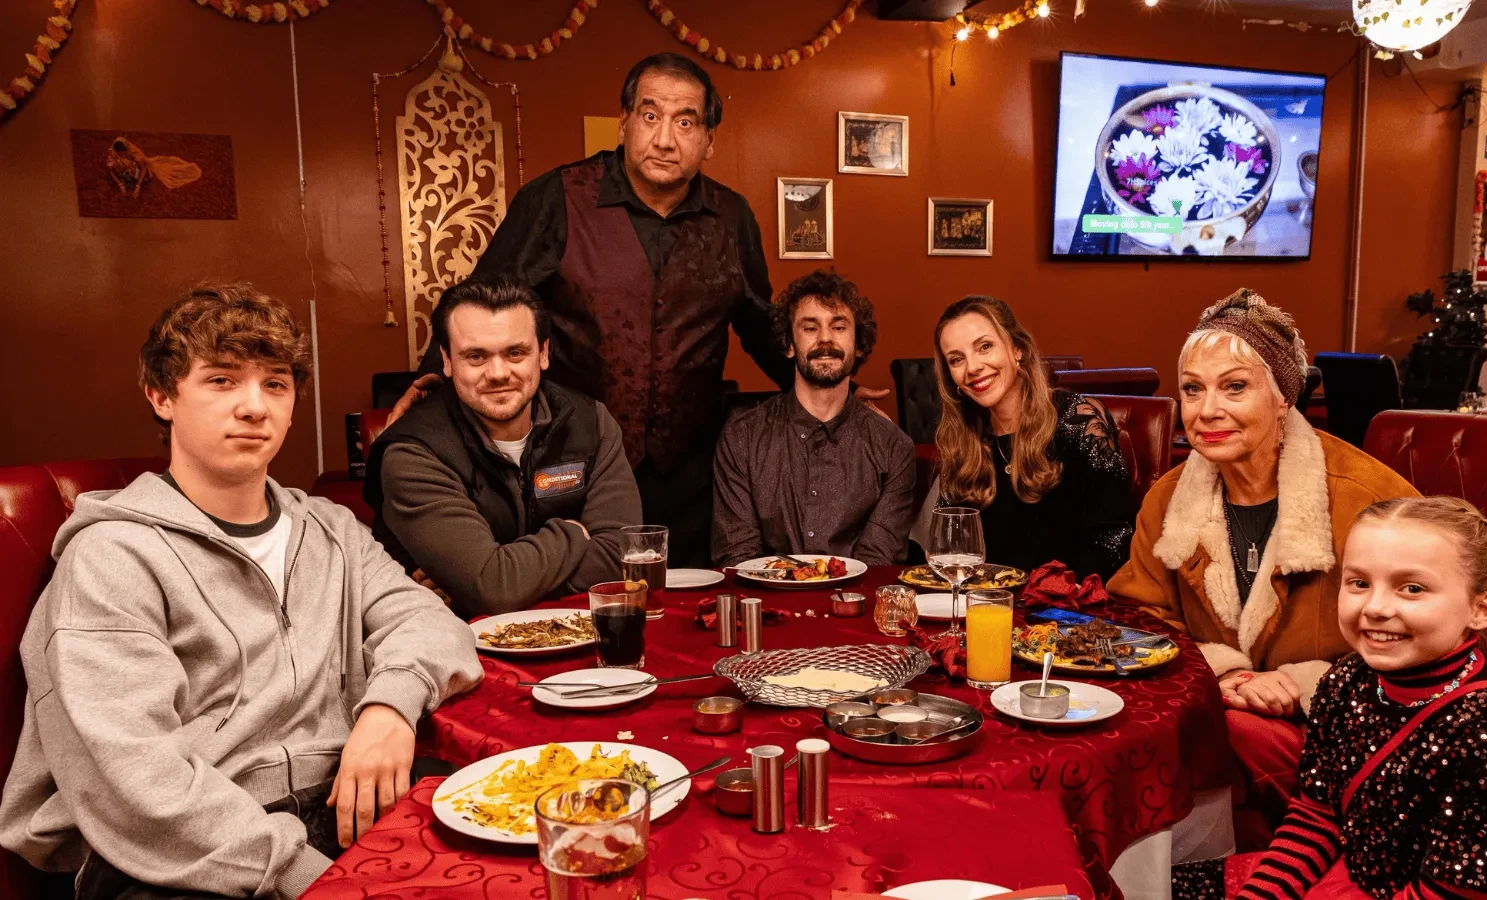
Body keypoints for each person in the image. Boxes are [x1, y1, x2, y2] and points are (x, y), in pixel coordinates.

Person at [0, 284, 483, 899]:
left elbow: (428, 621)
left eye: (275, 384)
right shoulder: (111, 557)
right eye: (223, 380)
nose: (255, 406)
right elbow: (138, 785)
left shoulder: (329, 528)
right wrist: (314, 879)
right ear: (161, 396)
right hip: (177, 856)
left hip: (343, 801)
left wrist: (389, 708)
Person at [387, 53, 887, 566]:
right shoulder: (556, 197)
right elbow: (481, 300)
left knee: (689, 604)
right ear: (624, 122)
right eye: (650, 116)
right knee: (584, 602)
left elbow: (761, 324)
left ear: (709, 140)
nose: (665, 138)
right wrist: (431, 380)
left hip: (693, 469)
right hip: (573, 461)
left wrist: (831, 391)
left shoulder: (732, 216)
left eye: (685, 121)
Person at [1108, 289, 1417, 844]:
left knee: (1205, 738)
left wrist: (1301, 684)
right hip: (1220, 707)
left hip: (1355, 726)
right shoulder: (1168, 497)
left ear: (1283, 398)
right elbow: (1138, 617)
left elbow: (1421, 634)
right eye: (1193, 390)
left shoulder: (1368, 499)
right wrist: (1223, 672)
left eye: (1234, 387)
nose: (1207, 411)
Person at [1173, 496, 1487, 899]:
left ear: (1482, 609)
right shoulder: (1347, 680)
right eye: (1359, 583)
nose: (1376, 607)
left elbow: (1458, 893)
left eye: (1412, 588)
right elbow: (1317, 817)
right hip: (1353, 874)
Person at [365, 277, 641, 618]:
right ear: (447, 361)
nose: (498, 373)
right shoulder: (413, 453)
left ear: (542, 353)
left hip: (581, 638)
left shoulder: (592, 422)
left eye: (515, 353)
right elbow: (491, 586)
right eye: (476, 356)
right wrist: (575, 534)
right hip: (458, 652)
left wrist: (485, 586)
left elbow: (621, 556)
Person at [712, 269, 915, 567]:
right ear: (789, 345)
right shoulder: (741, 439)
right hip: (766, 608)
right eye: (810, 328)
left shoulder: (894, 448)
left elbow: (877, 567)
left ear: (859, 345)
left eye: (839, 327)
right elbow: (737, 558)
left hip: (855, 608)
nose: (825, 339)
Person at [927, 294, 1135, 577]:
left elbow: (1113, 537)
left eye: (985, 347)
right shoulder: (960, 438)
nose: (973, 367)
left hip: (1065, 610)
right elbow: (947, 546)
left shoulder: (1079, 419)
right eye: (956, 359)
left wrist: (1057, 601)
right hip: (983, 608)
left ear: (1016, 349)